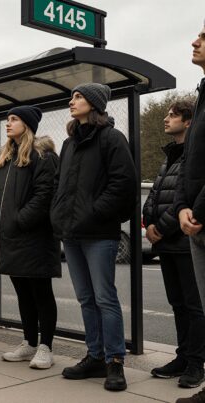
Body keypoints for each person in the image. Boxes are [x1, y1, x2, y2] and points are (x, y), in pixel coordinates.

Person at [50, 83, 137, 391]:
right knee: (86, 298)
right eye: (72, 96)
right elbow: (60, 184)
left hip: (99, 232)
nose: (71, 101)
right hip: (71, 233)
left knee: (104, 297)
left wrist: (93, 213)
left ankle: (115, 362)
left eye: (78, 96)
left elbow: (123, 184)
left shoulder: (112, 138)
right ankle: (95, 356)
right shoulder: (69, 143)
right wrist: (58, 215)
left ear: (95, 103)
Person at [0, 106, 60, 369]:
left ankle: (46, 346)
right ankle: (29, 343)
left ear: (27, 124)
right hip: (12, 237)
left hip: (33, 236)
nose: (8, 123)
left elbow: (44, 194)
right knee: (23, 292)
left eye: (14, 119)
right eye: (7, 119)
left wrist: (19, 220)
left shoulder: (42, 155)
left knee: (41, 292)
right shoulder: (6, 158)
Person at [144, 101, 205, 389]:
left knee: (195, 306)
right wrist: (149, 222)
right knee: (178, 304)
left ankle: (196, 363)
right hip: (167, 243)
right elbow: (156, 192)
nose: (166, 119)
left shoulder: (189, 157)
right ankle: (182, 357)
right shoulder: (170, 155)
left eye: (172, 115)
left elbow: (185, 195)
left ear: (189, 122)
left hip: (183, 240)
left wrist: (161, 227)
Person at [175, 23, 205, 403]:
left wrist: (195, 208)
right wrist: (183, 204)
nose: (195, 41)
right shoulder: (201, 96)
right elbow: (189, 162)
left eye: (203, 36)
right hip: (197, 219)